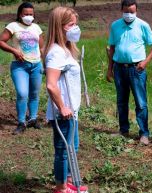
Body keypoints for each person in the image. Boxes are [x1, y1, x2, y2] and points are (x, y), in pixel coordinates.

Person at [44, 7, 88, 193]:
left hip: (72, 110)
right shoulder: (56, 52)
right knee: (63, 150)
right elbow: (51, 85)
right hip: (64, 112)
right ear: (60, 27)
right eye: (71, 25)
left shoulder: (66, 49)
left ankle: (69, 181)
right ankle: (61, 188)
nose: (75, 28)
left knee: (73, 147)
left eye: (76, 24)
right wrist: (62, 107)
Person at [107, 0, 152, 145]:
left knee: (141, 103)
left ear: (136, 11)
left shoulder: (143, 25)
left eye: (132, 12)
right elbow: (111, 47)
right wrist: (109, 68)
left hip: (136, 69)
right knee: (121, 101)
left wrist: (145, 62)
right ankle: (123, 130)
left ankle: (144, 133)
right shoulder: (115, 25)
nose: (129, 14)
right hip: (119, 68)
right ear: (121, 10)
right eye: (126, 11)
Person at [0, 2, 43, 135]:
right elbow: (1, 41)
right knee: (23, 93)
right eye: (26, 14)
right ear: (20, 14)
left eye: (31, 14)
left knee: (34, 94)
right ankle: (21, 122)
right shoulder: (13, 26)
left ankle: (33, 119)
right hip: (20, 67)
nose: (28, 16)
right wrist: (14, 51)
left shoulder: (36, 27)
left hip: (36, 65)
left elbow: (41, 47)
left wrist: (45, 61)